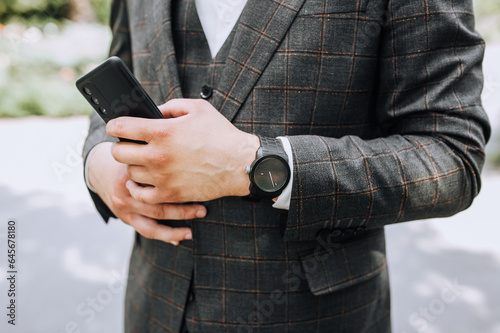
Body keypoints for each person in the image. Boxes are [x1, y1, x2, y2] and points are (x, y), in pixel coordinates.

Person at [82, 0, 490, 332]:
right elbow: (121, 67)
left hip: (316, 317)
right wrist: (98, 162)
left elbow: (451, 155)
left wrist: (256, 164)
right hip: (153, 306)